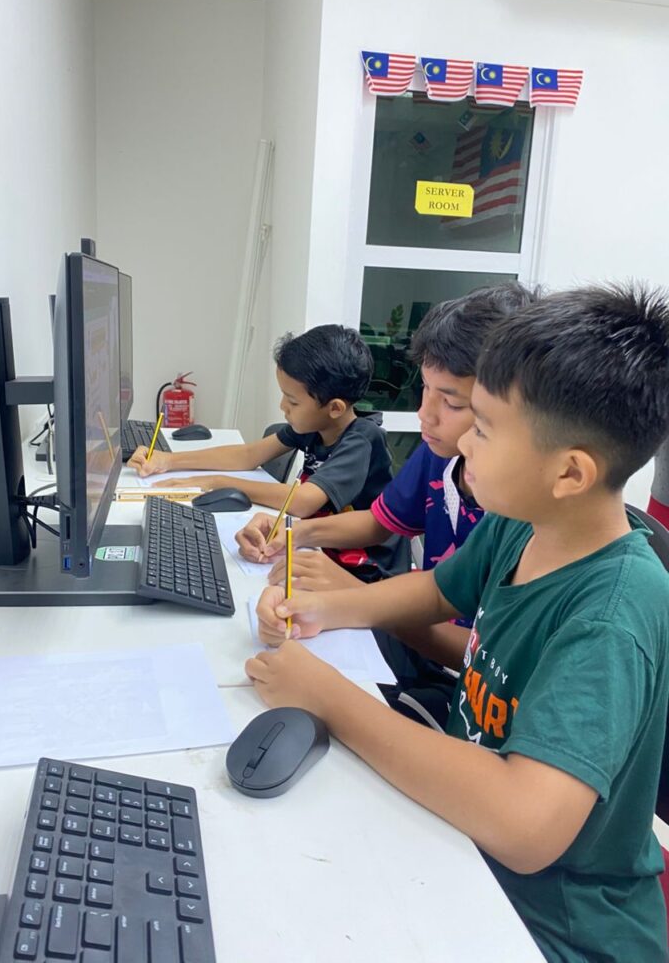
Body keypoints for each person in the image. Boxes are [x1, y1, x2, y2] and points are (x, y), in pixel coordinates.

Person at [249, 284, 669, 963]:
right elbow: (436, 591)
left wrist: (327, 697)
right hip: (461, 846)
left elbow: (525, 826)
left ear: (569, 472)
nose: (462, 441)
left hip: (553, 925)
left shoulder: (611, 614)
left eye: (484, 428)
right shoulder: (522, 522)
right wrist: (323, 607)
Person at [236, 284, 537, 725]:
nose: (424, 415)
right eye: (425, 389)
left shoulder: (526, 522)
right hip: (426, 645)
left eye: (453, 402)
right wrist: (296, 536)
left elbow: (487, 658)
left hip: (454, 681)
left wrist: (355, 597)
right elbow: (384, 524)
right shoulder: (441, 456)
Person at [129, 324, 408, 581]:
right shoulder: (316, 425)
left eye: (293, 401)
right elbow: (248, 455)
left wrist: (216, 482)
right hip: (321, 548)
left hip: (367, 573)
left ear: (334, 408)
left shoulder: (362, 440)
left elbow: (302, 502)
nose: (282, 406)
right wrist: (169, 460)